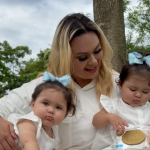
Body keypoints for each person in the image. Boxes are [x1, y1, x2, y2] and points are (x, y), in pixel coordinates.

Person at [0, 13, 120, 150]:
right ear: (65, 57)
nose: (93, 61)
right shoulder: (47, 87)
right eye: (82, 57)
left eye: (97, 51)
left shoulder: (120, 84)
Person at [92, 52, 150, 149]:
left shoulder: (148, 109)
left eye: (145, 92)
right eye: (133, 89)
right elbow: (95, 122)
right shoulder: (114, 105)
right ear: (120, 84)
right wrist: (109, 117)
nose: (138, 95)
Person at [8, 72, 76, 150]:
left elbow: (49, 146)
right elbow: (28, 142)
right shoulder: (30, 122)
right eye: (45, 103)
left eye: (58, 108)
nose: (51, 110)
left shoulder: (54, 130)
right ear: (33, 104)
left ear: (65, 115)